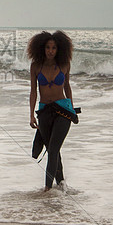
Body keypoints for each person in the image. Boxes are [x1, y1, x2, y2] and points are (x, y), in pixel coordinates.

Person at [27, 31, 78, 191]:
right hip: (44, 112)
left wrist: (72, 107)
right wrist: (31, 115)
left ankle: (47, 189)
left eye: (54, 48)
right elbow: (33, 91)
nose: (50, 51)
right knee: (52, 150)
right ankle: (61, 184)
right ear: (42, 48)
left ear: (59, 49)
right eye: (48, 47)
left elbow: (67, 86)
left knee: (54, 149)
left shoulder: (64, 64)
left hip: (63, 110)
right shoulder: (36, 66)